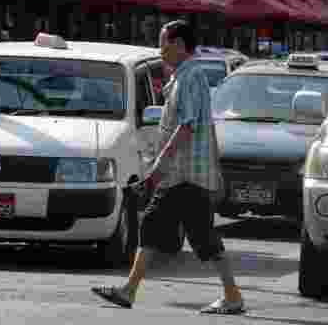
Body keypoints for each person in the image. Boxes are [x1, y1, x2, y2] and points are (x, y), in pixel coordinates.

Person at [91, 20, 245, 314]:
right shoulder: (183, 77)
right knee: (158, 227)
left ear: (178, 44)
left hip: (186, 175)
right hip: (180, 175)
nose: (159, 49)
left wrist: (160, 165)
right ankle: (129, 290)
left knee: (202, 239)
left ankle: (233, 296)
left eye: (163, 43)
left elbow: (188, 126)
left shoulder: (191, 77)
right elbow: (204, 127)